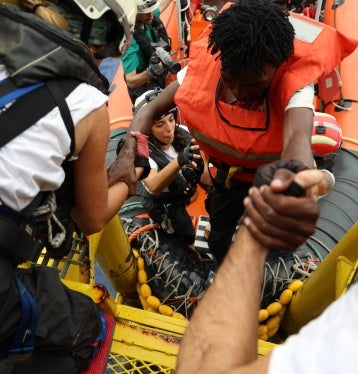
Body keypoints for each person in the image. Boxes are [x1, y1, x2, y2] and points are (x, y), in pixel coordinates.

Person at [109, 0, 358, 265]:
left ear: (278, 67)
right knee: (218, 238)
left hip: (268, 182)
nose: (239, 91)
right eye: (230, 80)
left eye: (254, 84)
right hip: (226, 180)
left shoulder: (296, 89)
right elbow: (150, 110)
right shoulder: (206, 68)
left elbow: (297, 139)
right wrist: (129, 152)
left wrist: (298, 180)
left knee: (275, 249)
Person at [0, 0, 143, 372]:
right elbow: (91, 218)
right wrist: (128, 180)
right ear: (101, 35)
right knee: (87, 326)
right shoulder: (86, 103)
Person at [175, 168, 352, 374]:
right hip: (233, 205)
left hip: (259, 243)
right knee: (219, 241)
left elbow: (201, 367)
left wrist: (256, 230)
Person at [132, 88, 204, 245]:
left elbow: (205, 175)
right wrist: (179, 160)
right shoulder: (143, 153)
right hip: (164, 202)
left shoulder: (183, 132)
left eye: (171, 119)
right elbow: (154, 186)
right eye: (160, 124)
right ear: (147, 128)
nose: (169, 129)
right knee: (185, 235)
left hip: (182, 190)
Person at [121, 0, 171, 104]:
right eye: (146, 12)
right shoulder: (130, 41)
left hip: (159, 79)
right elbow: (130, 80)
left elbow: (161, 5)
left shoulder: (148, 16)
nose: (151, 15)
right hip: (144, 88)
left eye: (152, 10)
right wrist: (151, 72)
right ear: (134, 12)